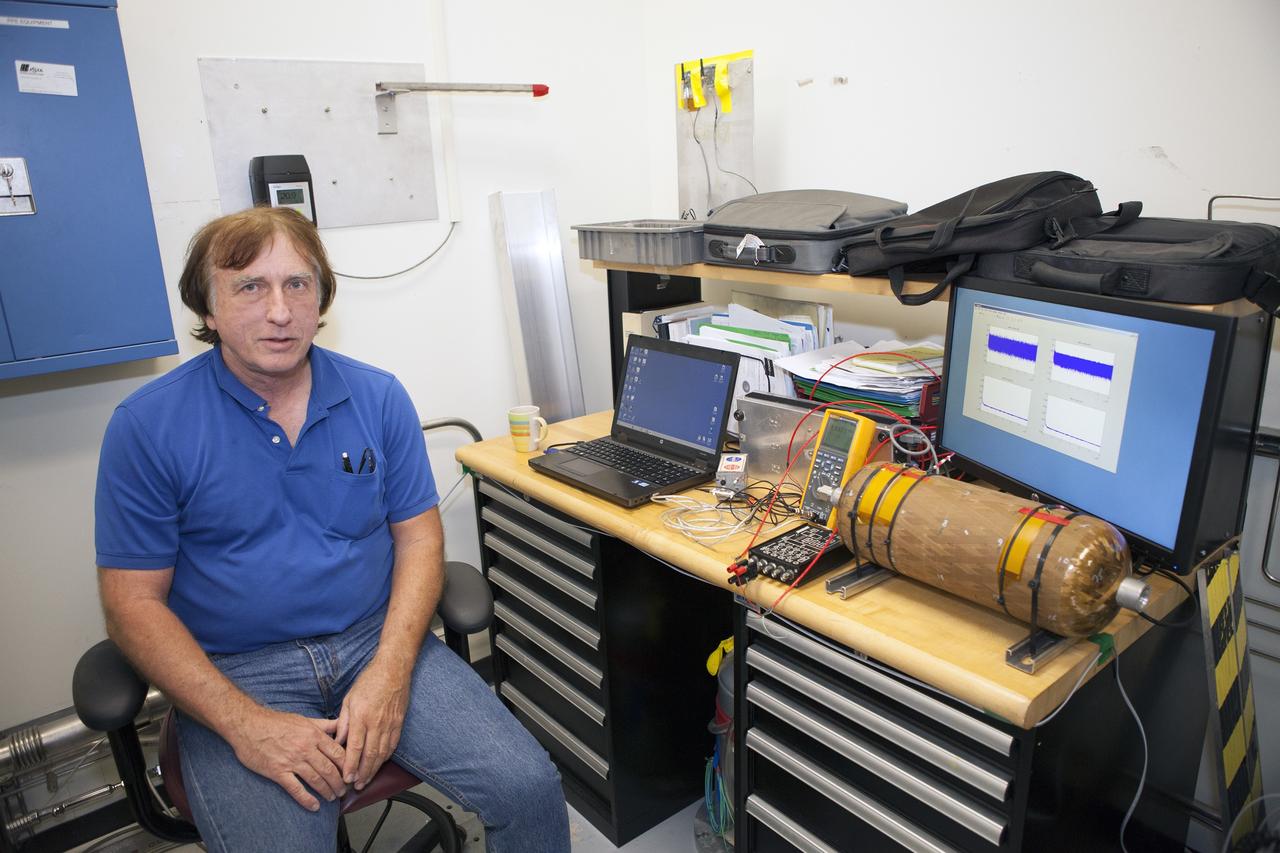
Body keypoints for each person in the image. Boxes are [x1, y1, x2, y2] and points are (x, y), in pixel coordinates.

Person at [94, 206, 569, 852]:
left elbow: (421, 539)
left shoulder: (376, 398)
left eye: (298, 283)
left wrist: (390, 673)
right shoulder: (147, 426)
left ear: (321, 297)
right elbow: (131, 605)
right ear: (207, 308)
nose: (281, 310)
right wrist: (245, 724)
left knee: (529, 787)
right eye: (250, 286)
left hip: (376, 641)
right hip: (237, 670)